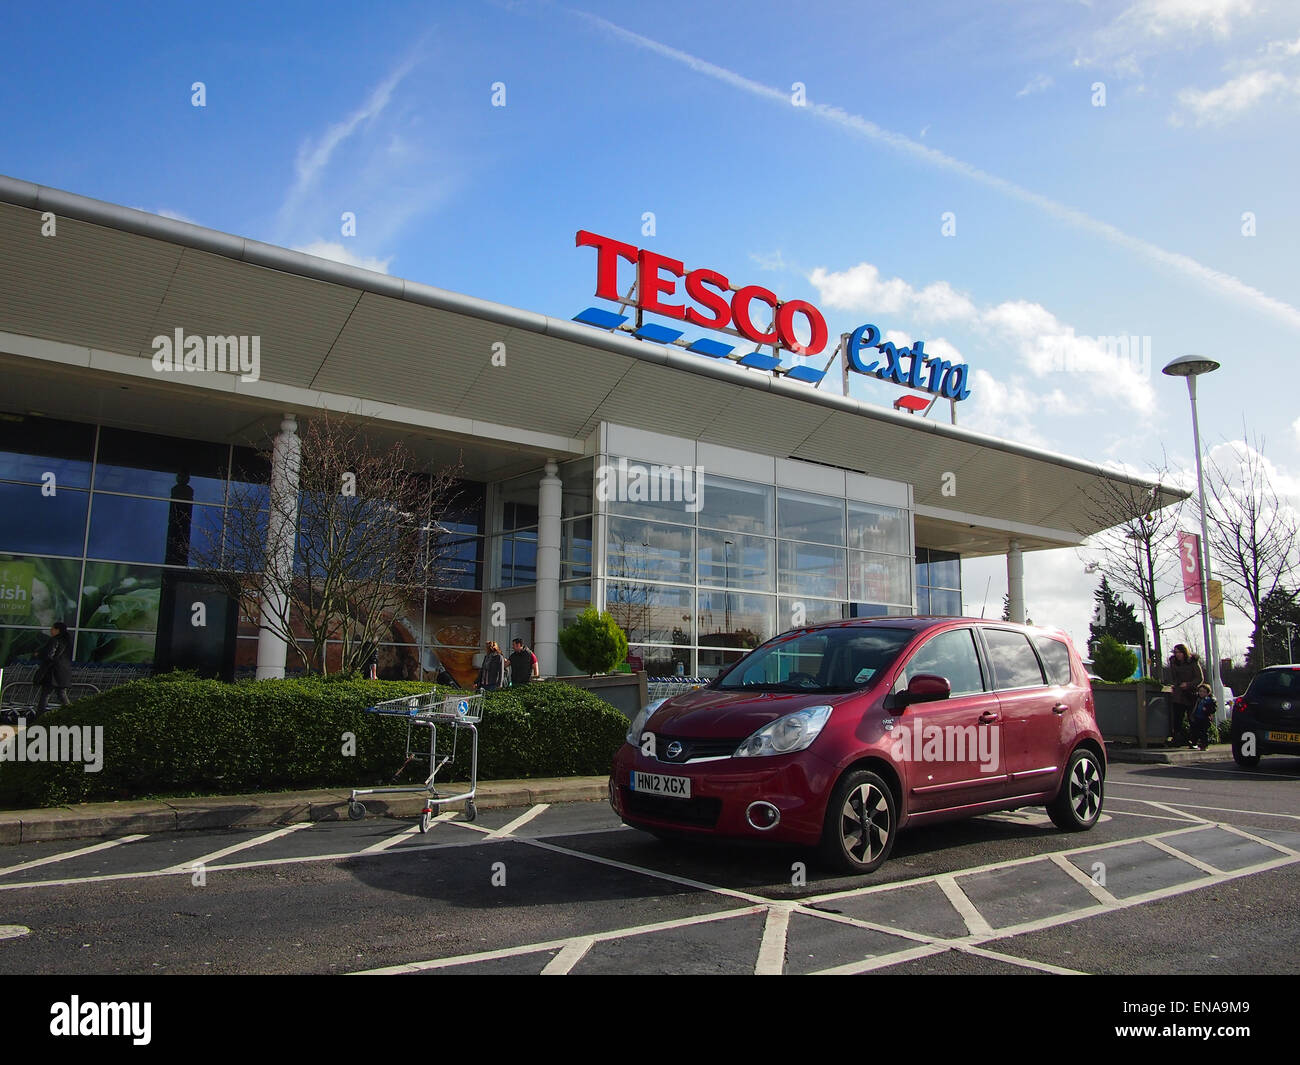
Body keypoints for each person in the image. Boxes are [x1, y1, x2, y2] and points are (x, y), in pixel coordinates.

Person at [34, 621, 74, 717]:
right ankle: (72, 714)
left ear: (57, 630)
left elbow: (49, 656)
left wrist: (39, 654)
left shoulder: (54, 640)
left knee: (45, 694)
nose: (50, 630)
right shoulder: (68, 641)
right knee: (62, 694)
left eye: (52, 628)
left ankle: (39, 717)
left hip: (52, 672)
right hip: (64, 671)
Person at [1167, 643, 1203, 747]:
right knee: (1177, 718)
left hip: (1190, 694)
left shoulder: (1192, 662)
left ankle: (1194, 740)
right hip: (1179, 694)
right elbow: (1173, 677)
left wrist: (1188, 684)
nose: (1178, 655)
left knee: (1192, 718)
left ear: (1184, 652)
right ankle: (1177, 739)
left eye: (1179, 652)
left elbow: (1199, 678)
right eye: (1176, 652)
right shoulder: (1174, 662)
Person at [1189, 682, 1216, 751]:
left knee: (1204, 732)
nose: (1201, 693)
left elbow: (1213, 709)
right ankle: (1194, 743)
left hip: (1205, 718)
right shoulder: (1196, 699)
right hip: (1197, 717)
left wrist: (1207, 710)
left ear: (1207, 693)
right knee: (1195, 731)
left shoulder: (1209, 700)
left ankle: (1204, 745)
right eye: (1200, 691)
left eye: (1204, 692)